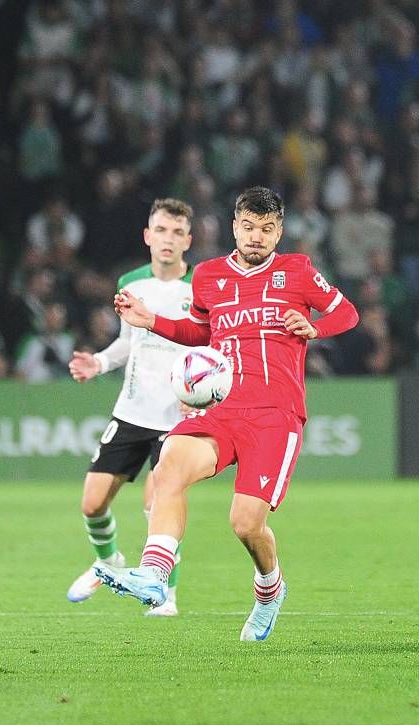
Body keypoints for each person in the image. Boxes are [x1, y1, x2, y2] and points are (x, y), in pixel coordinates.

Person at [96, 186, 359, 641]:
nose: (257, 236)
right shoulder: (210, 276)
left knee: (245, 523)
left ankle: (269, 590)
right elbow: (200, 331)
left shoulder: (296, 272)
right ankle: (154, 574)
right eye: (249, 227)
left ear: (279, 232)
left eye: (268, 229)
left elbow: (347, 312)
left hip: (277, 413)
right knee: (169, 465)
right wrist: (151, 321)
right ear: (235, 227)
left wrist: (315, 327)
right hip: (223, 407)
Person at [66, 198, 196, 618]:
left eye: (177, 232)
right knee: (91, 504)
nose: (168, 239)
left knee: (158, 503)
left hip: (177, 418)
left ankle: (167, 593)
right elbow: (128, 341)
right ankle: (108, 561)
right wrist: (99, 362)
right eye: (161, 230)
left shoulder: (200, 289)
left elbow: (211, 347)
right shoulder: (131, 282)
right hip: (131, 411)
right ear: (147, 235)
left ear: (188, 241)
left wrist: (197, 395)